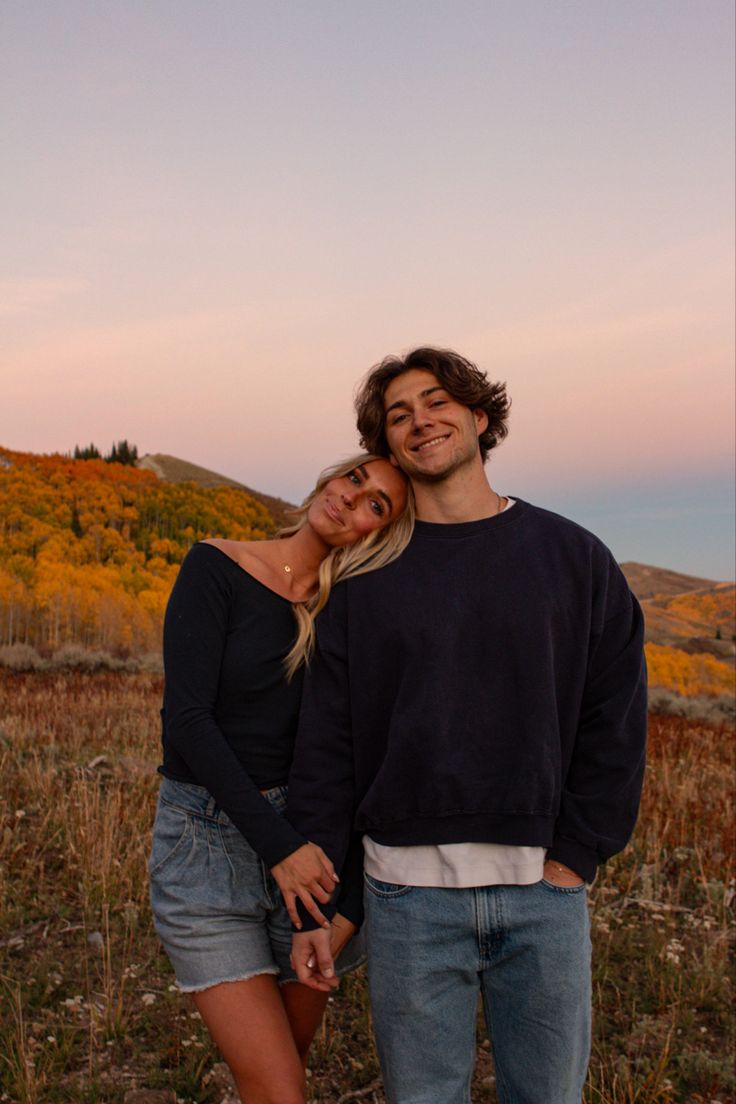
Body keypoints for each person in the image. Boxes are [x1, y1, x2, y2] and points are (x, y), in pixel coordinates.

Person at [288, 348, 647, 1104]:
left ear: (480, 417)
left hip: (542, 897)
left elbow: (614, 720)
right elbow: (328, 747)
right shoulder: (365, 580)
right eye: (398, 414)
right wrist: (326, 906)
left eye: (438, 401)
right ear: (388, 447)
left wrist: (576, 857)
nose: (421, 419)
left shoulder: (574, 558)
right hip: (407, 903)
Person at [149, 453, 412, 1104]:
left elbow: (367, 761)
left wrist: (344, 903)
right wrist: (280, 850)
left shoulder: (354, 613)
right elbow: (187, 722)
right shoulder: (217, 565)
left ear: (382, 534)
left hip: (317, 852)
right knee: (279, 1087)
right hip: (207, 849)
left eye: (377, 504)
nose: (353, 500)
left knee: (275, 1076)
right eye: (356, 479)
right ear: (332, 476)